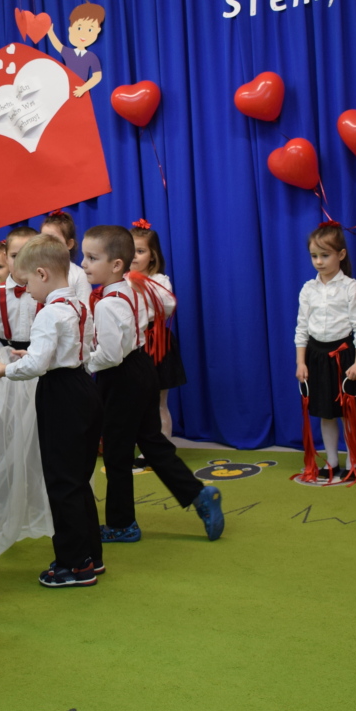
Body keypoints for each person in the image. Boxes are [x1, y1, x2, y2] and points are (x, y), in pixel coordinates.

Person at [81, 225, 223, 542]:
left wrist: (83, 362)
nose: (84, 264)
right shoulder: (133, 288)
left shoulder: (107, 303)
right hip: (143, 368)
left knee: (117, 453)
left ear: (116, 264)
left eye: (91, 258)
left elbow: (110, 355)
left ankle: (121, 524)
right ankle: (197, 494)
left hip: (120, 377)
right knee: (152, 442)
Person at [0, 234, 104, 587]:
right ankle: (91, 555)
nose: (27, 291)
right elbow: (72, 349)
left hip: (60, 394)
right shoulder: (79, 306)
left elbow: (37, 366)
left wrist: (5, 369)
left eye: (26, 283)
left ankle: (73, 565)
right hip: (82, 386)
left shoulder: (49, 313)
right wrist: (37, 355)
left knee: (61, 480)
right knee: (78, 478)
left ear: (42, 274)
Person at [293, 222, 356, 484]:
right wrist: (300, 363)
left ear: (341, 254)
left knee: (348, 414)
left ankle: (353, 461)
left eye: (325, 255)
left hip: (345, 357)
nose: (319, 261)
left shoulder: (351, 288)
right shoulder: (308, 289)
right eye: (314, 256)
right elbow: (301, 328)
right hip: (317, 358)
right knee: (325, 413)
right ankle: (331, 461)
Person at [130, 220, 184, 438]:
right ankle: (140, 443)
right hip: (131, 344)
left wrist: (142, 285)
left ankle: (163, 448)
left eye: (140, 251)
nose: (134, 256)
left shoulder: (160, 280)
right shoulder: (120, 281)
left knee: (158, 401)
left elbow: (167, 306)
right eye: (130, 250)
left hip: (157, 344)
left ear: (152, 256)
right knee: (134, 401)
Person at [0, 228, 39, 361]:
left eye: (27, 255)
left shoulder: (46, 292)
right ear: (6, 257)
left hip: (40, 359)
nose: (21, 261)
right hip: (6, 360)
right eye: (14, 256)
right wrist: (3, 360)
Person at [44, 2, 104, 99]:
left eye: (90, 30)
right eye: (79, 28)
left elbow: (97, 76)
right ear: (70, 29)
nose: (83, 34)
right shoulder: (68, 53)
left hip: (81, 92)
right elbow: (57, 45)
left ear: (97, 30)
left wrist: (83, 89)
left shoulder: (91, 57)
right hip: (66, 89)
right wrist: (50, 33)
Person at [41, 210, 92, 301]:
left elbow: (86, 307)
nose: (46, 244)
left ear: (69, 244)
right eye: (43, 238)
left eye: (53, 239)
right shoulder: (36, 271)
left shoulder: (79, 275)